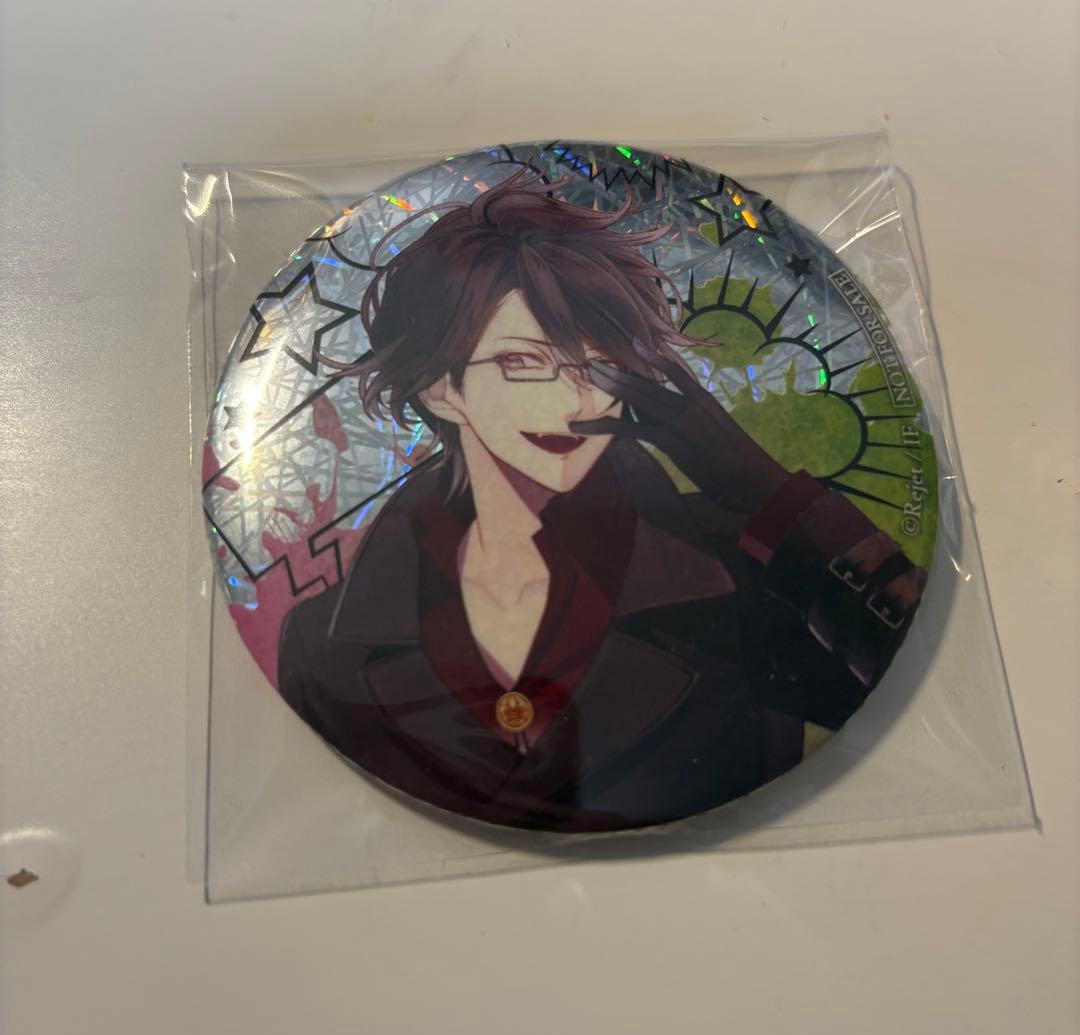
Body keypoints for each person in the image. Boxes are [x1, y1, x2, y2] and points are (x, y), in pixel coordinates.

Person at [278, 173, 926, 831]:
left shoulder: (744, 570)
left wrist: (769, 496)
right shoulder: (321, 642)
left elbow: (918, 672)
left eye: (599, 363)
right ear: (442, 388)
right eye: (524, 363)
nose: (576, 402)